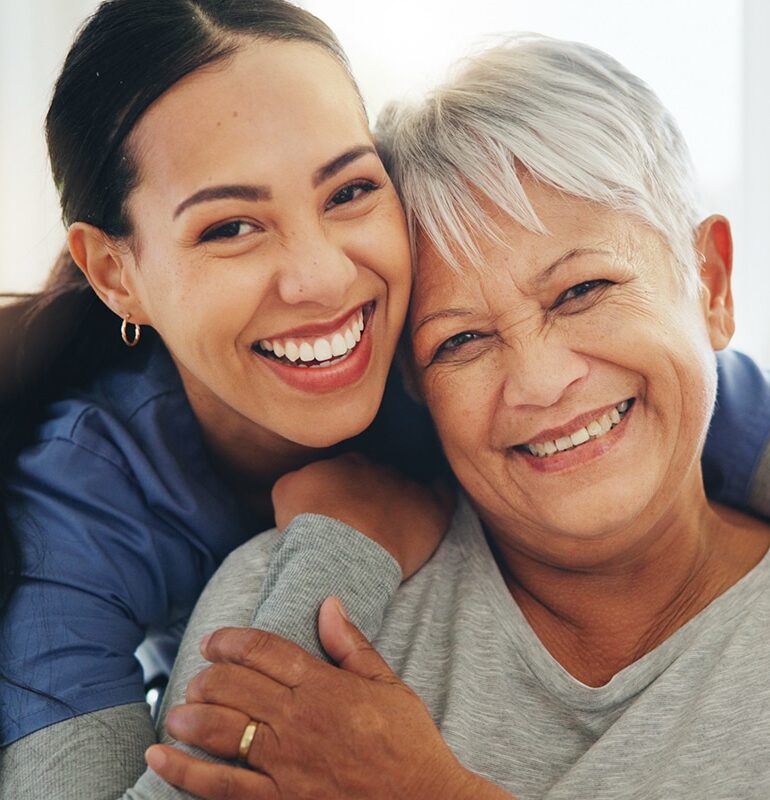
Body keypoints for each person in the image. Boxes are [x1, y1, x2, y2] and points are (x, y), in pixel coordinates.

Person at [141, 34, 770, 800]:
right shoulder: (288, 600)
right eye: (462, 341)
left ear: (711, 285)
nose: (539, 383)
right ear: (413, 381)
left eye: (582, 291)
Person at [0, 1, 451, 796]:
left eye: (348, 191)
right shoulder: (83, 494)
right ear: (116, 274)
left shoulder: (472, 335)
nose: (322, 278)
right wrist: (340, 553)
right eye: (231, 228)